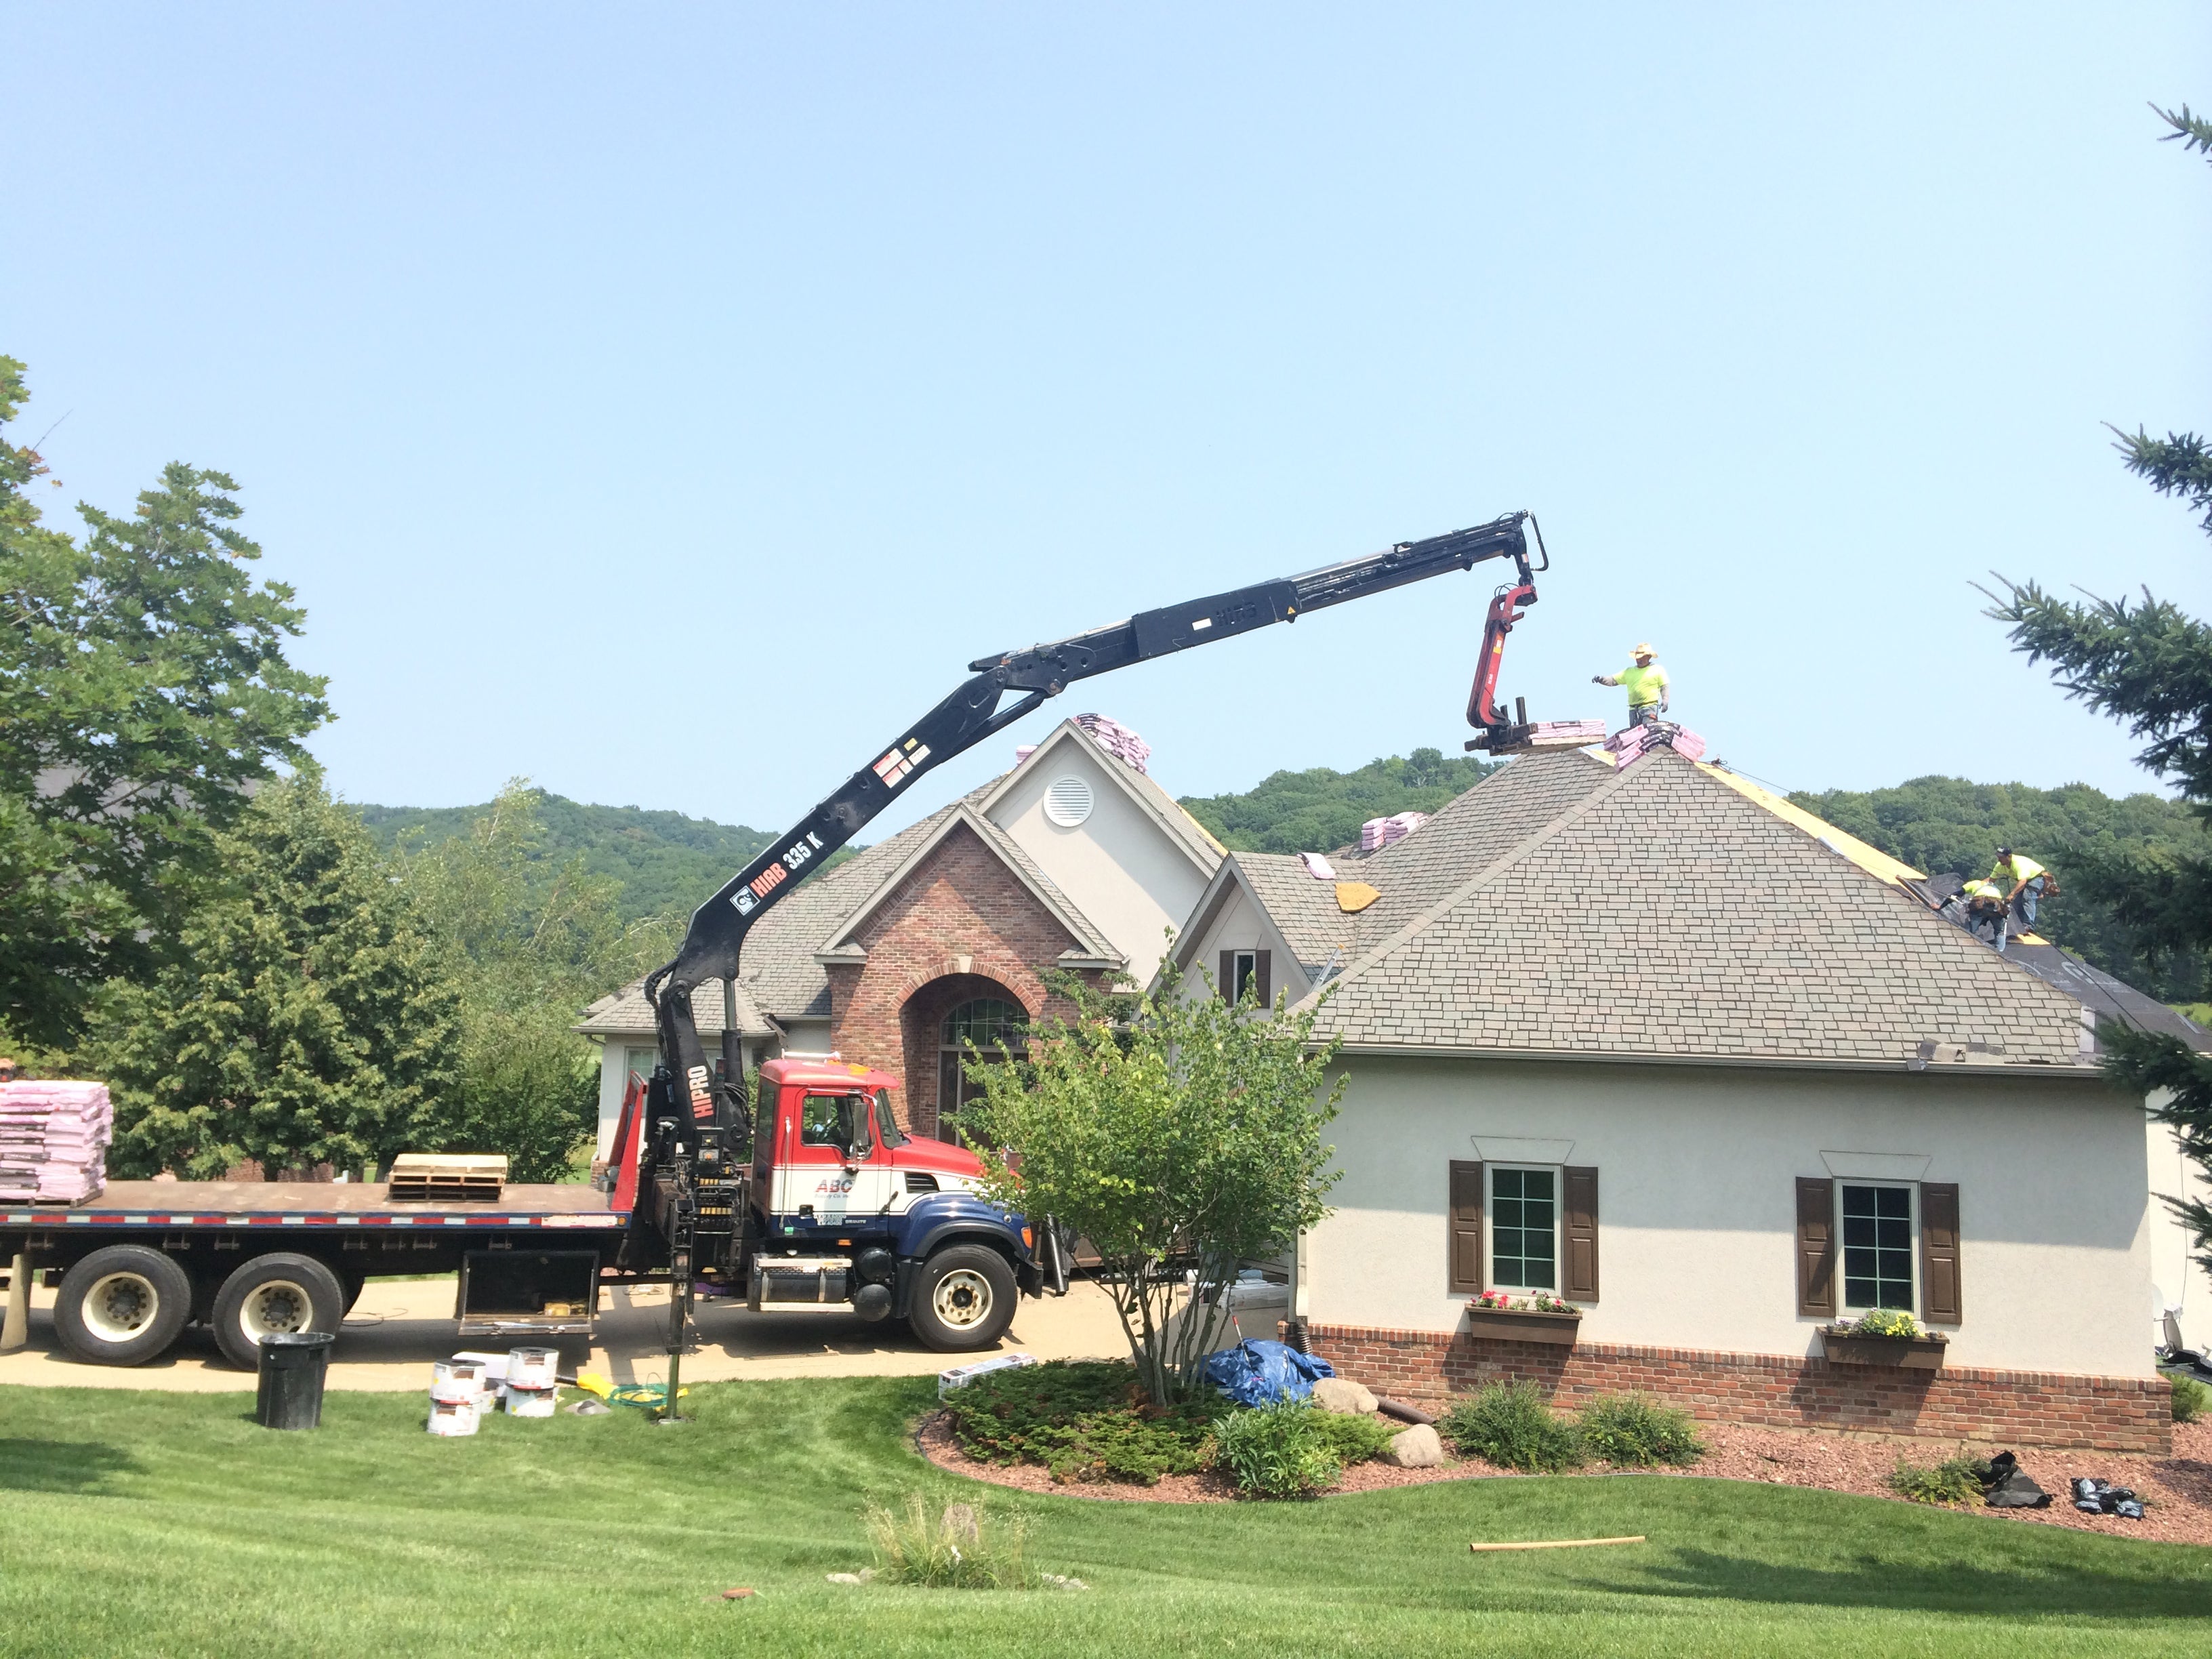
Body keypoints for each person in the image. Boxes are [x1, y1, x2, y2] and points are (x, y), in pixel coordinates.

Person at [1593, 643, 1669, 728]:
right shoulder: (1629, 672)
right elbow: (1613, 680)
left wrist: (1665, 700)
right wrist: (1601, 679)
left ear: (1648, 657)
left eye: (1641, 658)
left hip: (1649, 708)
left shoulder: (1657, 670)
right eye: (1637, 658)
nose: (1639, 660)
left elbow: (1664, 686)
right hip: (1634, 710)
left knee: (1648, 731)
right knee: (1635, 735)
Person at [1990, 848, 2057, 930]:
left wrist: (2012, 895)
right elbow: (1991, 880)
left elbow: (2022, 882)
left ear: (2009, 856)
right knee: (2017, 903)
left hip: (2036, 878)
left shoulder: (2018, 863)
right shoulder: (2000, 866)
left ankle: (2029, 925)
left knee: (2028, 897)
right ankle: (2018, 925)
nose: (1999, 859)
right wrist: (1980, 885)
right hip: (2026, 880)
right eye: (1998, 857)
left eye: (2001, 857)